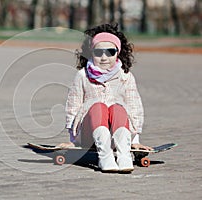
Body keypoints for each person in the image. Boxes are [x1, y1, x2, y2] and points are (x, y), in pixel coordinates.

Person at [59, 23, 153, 173]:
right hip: (89, 138)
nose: (104, 57)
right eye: (98, 52)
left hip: (118, 135)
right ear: (91, 52)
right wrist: (73, 141)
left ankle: (124, 156)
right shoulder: (83, 76)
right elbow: (73, 107)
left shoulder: (125, 77)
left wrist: (135, 141)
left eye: (110, 52)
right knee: (98, 107)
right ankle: (105, 157)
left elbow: (135, 108)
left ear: (118, 53)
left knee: (118, 108)